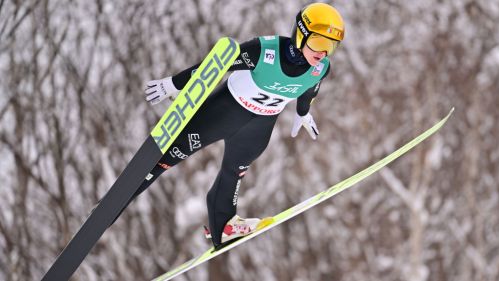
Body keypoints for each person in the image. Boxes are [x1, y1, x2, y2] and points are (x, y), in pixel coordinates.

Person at [120, 2, 345, 249]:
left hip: (259, 128)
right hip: (225, 112)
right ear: (301, 34)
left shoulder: (320, 69)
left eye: (331, 47)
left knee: (233, 174)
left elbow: (310, 91)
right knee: (167, 157)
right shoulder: (265, 50)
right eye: (320, 43)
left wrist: (303, 113)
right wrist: (176, 84)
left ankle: (224, 226)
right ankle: (115, 204)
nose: (323, 53)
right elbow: (216, 64)